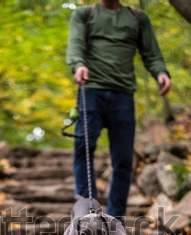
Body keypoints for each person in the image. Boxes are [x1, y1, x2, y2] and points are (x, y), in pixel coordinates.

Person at [66, 0, 171, 218]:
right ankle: (89, 213)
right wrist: (78, 64)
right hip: (90, 91)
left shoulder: (138, 18)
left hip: (123, 95)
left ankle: (115, 219)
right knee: (83, 149)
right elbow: (75, 44)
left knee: (123, 160)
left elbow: (151, 53)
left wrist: (160, 72)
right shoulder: (84, 15)